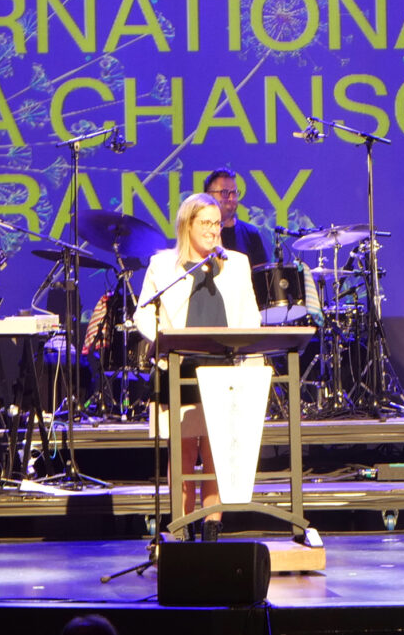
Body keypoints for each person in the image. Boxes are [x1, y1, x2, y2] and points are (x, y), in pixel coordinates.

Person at [133, 193, 261, 542]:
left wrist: (251, 360)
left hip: (225, 367)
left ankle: (211, 527)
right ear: (186, 225)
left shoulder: (237, 263)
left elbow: (250, 317)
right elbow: (143, 312)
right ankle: (181, 528)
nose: (212, 230)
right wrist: (162, 337)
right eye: (204, 223)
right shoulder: (164, 265)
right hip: (180, 366)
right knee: (185, 450)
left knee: (218, 450)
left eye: (216, 223)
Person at [203, 168, 268, 266]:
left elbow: (262, 276)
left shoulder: (251, 233)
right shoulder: (201, 233)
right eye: (224, 193)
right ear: (208, 195)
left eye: (234, 193)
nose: (231, 198)